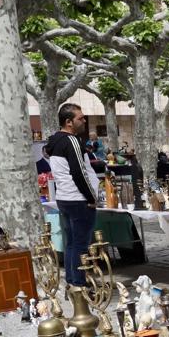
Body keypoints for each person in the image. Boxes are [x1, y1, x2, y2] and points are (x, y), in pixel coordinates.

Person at [48, 103, 100, 286]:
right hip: (78, 199)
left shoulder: (56, 140)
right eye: (80, 118)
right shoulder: (71, 141)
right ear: (69, 122)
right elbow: (79, 173)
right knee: (80, 245)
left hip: (65, 198)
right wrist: (91, 197)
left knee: (72, 243)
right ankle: (78, 284)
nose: (84, 120)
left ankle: (72, 282)